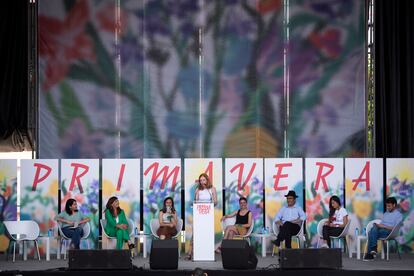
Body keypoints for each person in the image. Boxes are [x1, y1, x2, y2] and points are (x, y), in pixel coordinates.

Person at [186, 173, 218, 260]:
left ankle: (204, 252)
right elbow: (195, 202)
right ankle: (191, 252)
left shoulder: (212, 189)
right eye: (200, 180)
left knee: (206, 233)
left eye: (204, 180)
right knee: (196, 232)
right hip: (199, 214)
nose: (202, 182)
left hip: (208, 214)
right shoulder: (198, 190)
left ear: (207, 180)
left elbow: (215, 202)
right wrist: (197, 203)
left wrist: (210, 204)